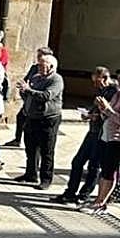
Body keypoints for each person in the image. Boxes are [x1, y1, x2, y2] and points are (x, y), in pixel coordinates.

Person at [54, 65, 111, 205]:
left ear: (104, 78)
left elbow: (111, 114)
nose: (95, 85)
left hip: (102, 134)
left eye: (97, 81)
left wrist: (98, 114)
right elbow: (96, 109)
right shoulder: (101, 90)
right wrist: (89, 114)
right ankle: (70, 192)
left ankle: (84, 194)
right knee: (77, 161)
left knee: (94, 165)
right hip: (92, 131)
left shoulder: (113, 92)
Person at [15, 51, 64, 190]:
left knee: (46, 150)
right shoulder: (36, 77)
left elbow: (46, 95)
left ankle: (46, 179)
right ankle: (30, 174)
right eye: (39, 65)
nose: (40, 68)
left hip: (48, 119)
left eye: (43, 66)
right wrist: (23, 91)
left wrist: (28, 90)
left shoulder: (56, 79)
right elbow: (29, 95)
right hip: (32, 117)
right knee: (30, 147)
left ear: (51, 67)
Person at [79, 82, 120, 215]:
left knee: (109, 172)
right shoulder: (117, 95)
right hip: (106, 136)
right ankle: (98, 199)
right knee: (103, 170)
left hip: (116, 139)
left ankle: (101, 203)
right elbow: (107, 115)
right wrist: (102, 108)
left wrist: (107, 109)